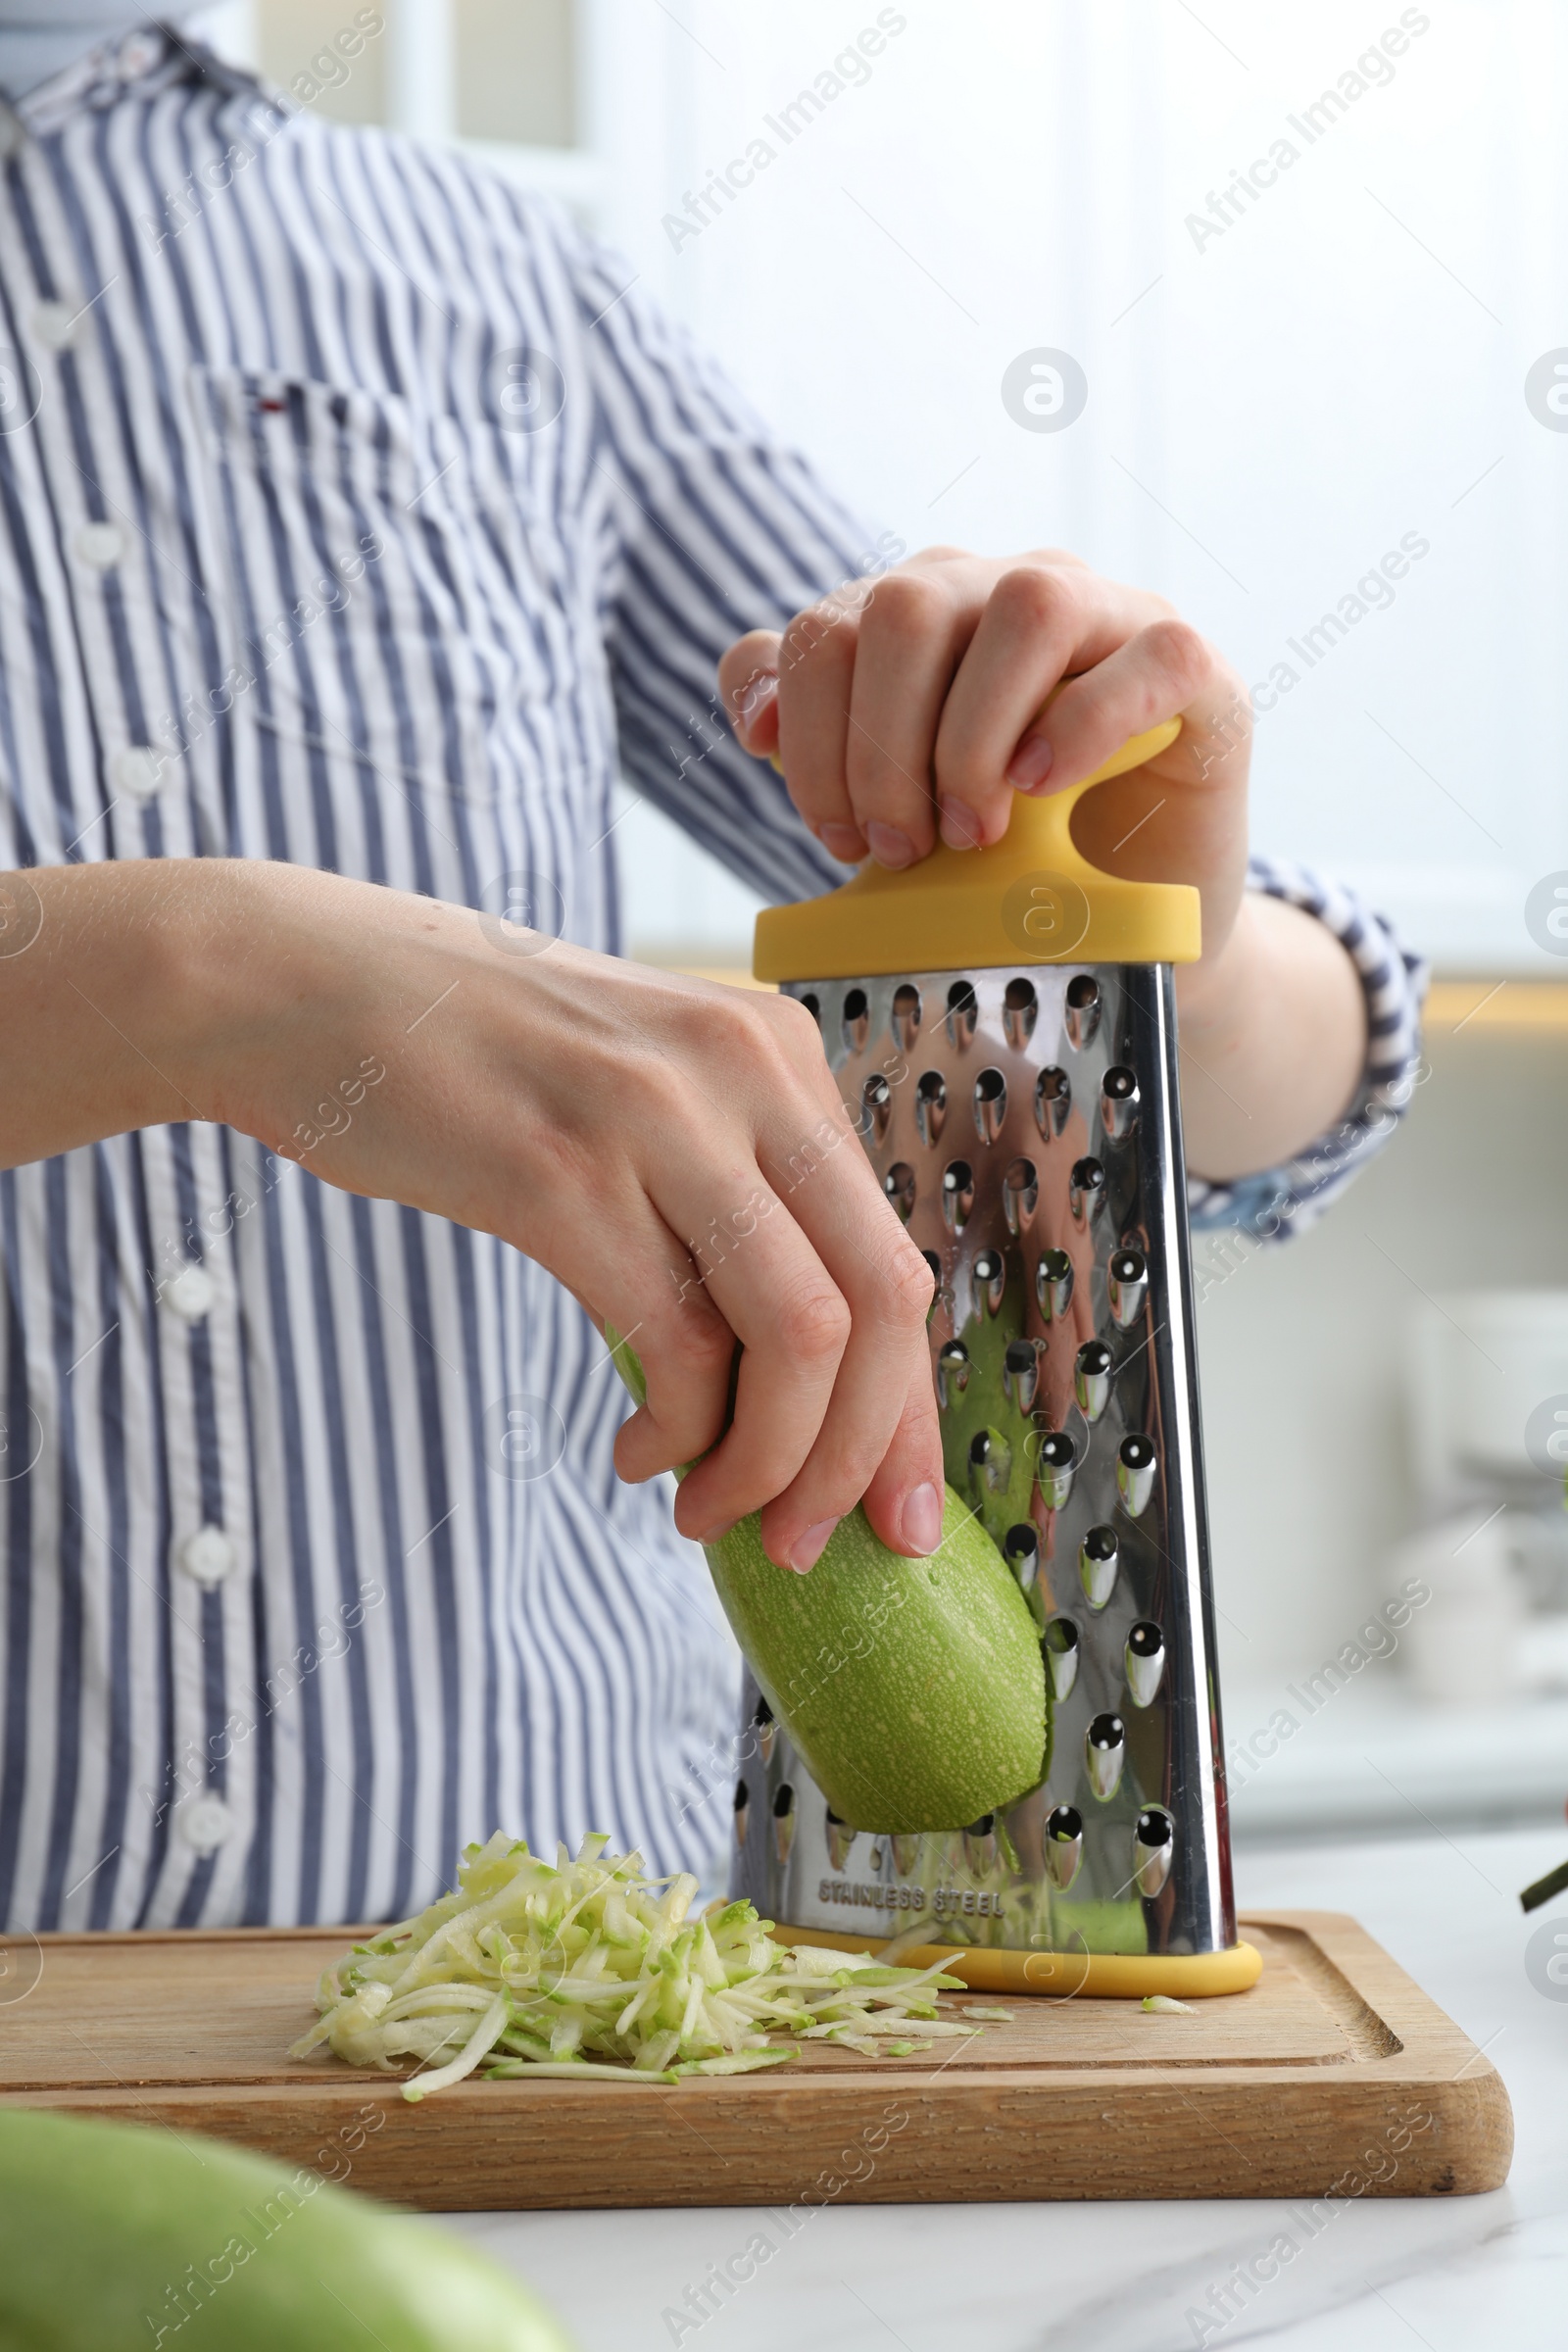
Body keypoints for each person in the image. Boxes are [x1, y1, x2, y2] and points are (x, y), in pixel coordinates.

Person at [0, 17, 1422, 1934]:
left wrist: (1161, 943)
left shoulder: (497, 291)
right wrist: (214, 975)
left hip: (584, 2050)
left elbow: (1246, 1055)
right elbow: (223, 978)